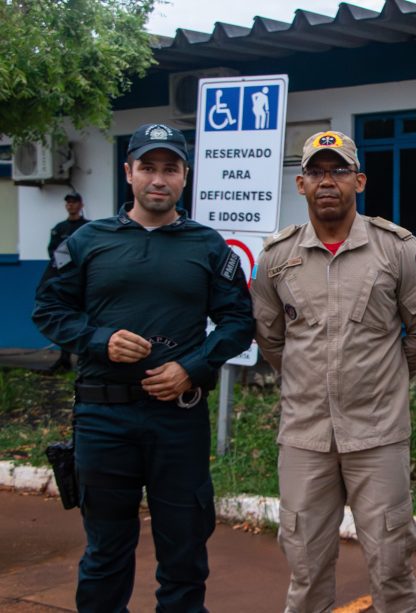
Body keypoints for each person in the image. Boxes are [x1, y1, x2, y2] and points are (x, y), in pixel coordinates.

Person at [32, 123, 255, 612]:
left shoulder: (209, 246)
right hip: (103, 419)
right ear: (128, 172)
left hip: (178, 419)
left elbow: (239, 321)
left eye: (170, 168)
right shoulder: (88, 241)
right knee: (106, 553)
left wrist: (193, 368)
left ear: (185, 177)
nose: (159, 179)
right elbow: (49, 311)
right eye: (148, 167)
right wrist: (100, 340)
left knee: (184, 552)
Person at [250, 130, 416, 613]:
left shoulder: (397, 249)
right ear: (300, 184)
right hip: (304, 437)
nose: (327, 181)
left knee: (393, 568)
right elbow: (272, 339)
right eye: (316, 171)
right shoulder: (276, 258)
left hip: (377, 435)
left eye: (338, 170)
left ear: (358, 180)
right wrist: (307, 379)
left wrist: (387, 377)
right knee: (306, 572)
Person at [40, 192, 90, 371]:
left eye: (74, 202)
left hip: (84, 281)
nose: (71, 205)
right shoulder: (59, 228)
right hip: (64, 281)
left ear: (81, 204)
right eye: (68, 202)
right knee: (66, 317)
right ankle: (64, 358)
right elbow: (53, 253)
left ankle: (85, 358)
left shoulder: (89, 228)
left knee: (87, 317)